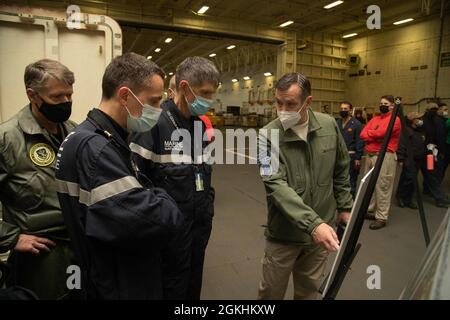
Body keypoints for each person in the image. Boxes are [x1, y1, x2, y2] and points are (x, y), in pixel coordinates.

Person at [54, 52, 183, 299]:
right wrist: (163, 196)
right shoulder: (98, 149)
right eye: (154, 102)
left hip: (98, 273)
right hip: (116, 282)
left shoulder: (86, 137)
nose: (158, 109)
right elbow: (153, 219)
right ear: (125, 96)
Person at [257, 72, 353, 300]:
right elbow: (275, 184)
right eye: (278, 103)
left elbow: (341, 168)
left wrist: (345, 206)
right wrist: (313, 224)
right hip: (284, 233)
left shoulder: (329, 125)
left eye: (290, 104)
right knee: (270, 293)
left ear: (308, 102)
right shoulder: (267, 135)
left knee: (309, 292)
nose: (282, 110)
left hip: (321, 233)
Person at [131, 56, 219, 300]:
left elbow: (204, 175)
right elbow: (135, 183)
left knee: (192, 289)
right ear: (183, 88)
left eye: (212, 94)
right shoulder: (153, 125)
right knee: (169, 290)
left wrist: (207, 208)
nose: (208, 100)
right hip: (166, 238)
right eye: (204, 93)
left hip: (198, 231)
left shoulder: (200, 126)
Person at [0, 59, 77, 299]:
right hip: (38, 259)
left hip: (76, 249)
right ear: (33, 95)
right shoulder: (8, 139)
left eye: (69, 95)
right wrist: (10, 237)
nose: (65, 102)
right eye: (57, 97)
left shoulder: (75, 132)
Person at [360, 95, 401, 230]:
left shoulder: (395, 120)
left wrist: (371, 134)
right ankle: (371, 211)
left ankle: (381, 217)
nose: (382, 105)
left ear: (392, 106)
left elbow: (383, 134)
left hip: (385, 156)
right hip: (370, 155)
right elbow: (362, 133)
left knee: (383, 186)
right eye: (381, 103)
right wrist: (373, 134)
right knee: (370, 185)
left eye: (386, 103)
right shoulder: (376, 118)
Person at [396, 112, 449, 209]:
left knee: (425, 178)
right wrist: (401, 158)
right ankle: (402, 197)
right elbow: (401, 145)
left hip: (423, 157)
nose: (421, 120)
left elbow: (424, 141)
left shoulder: (420, 130)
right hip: (411, 159)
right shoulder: (406, 131)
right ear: (413, 120)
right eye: (419, 118)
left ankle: (409, 200)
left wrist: (430, 148)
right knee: (408, 179)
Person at [336, 101, 364, 198]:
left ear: (350, 110)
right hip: (339, 156)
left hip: (351, 156)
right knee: (339, 178)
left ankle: (351, 200)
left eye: (345, 109)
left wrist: (358, 158)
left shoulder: (356, 124)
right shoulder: (337, 122)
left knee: (351, 179)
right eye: (341, 109)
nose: (343, 110)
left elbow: (360, 141)